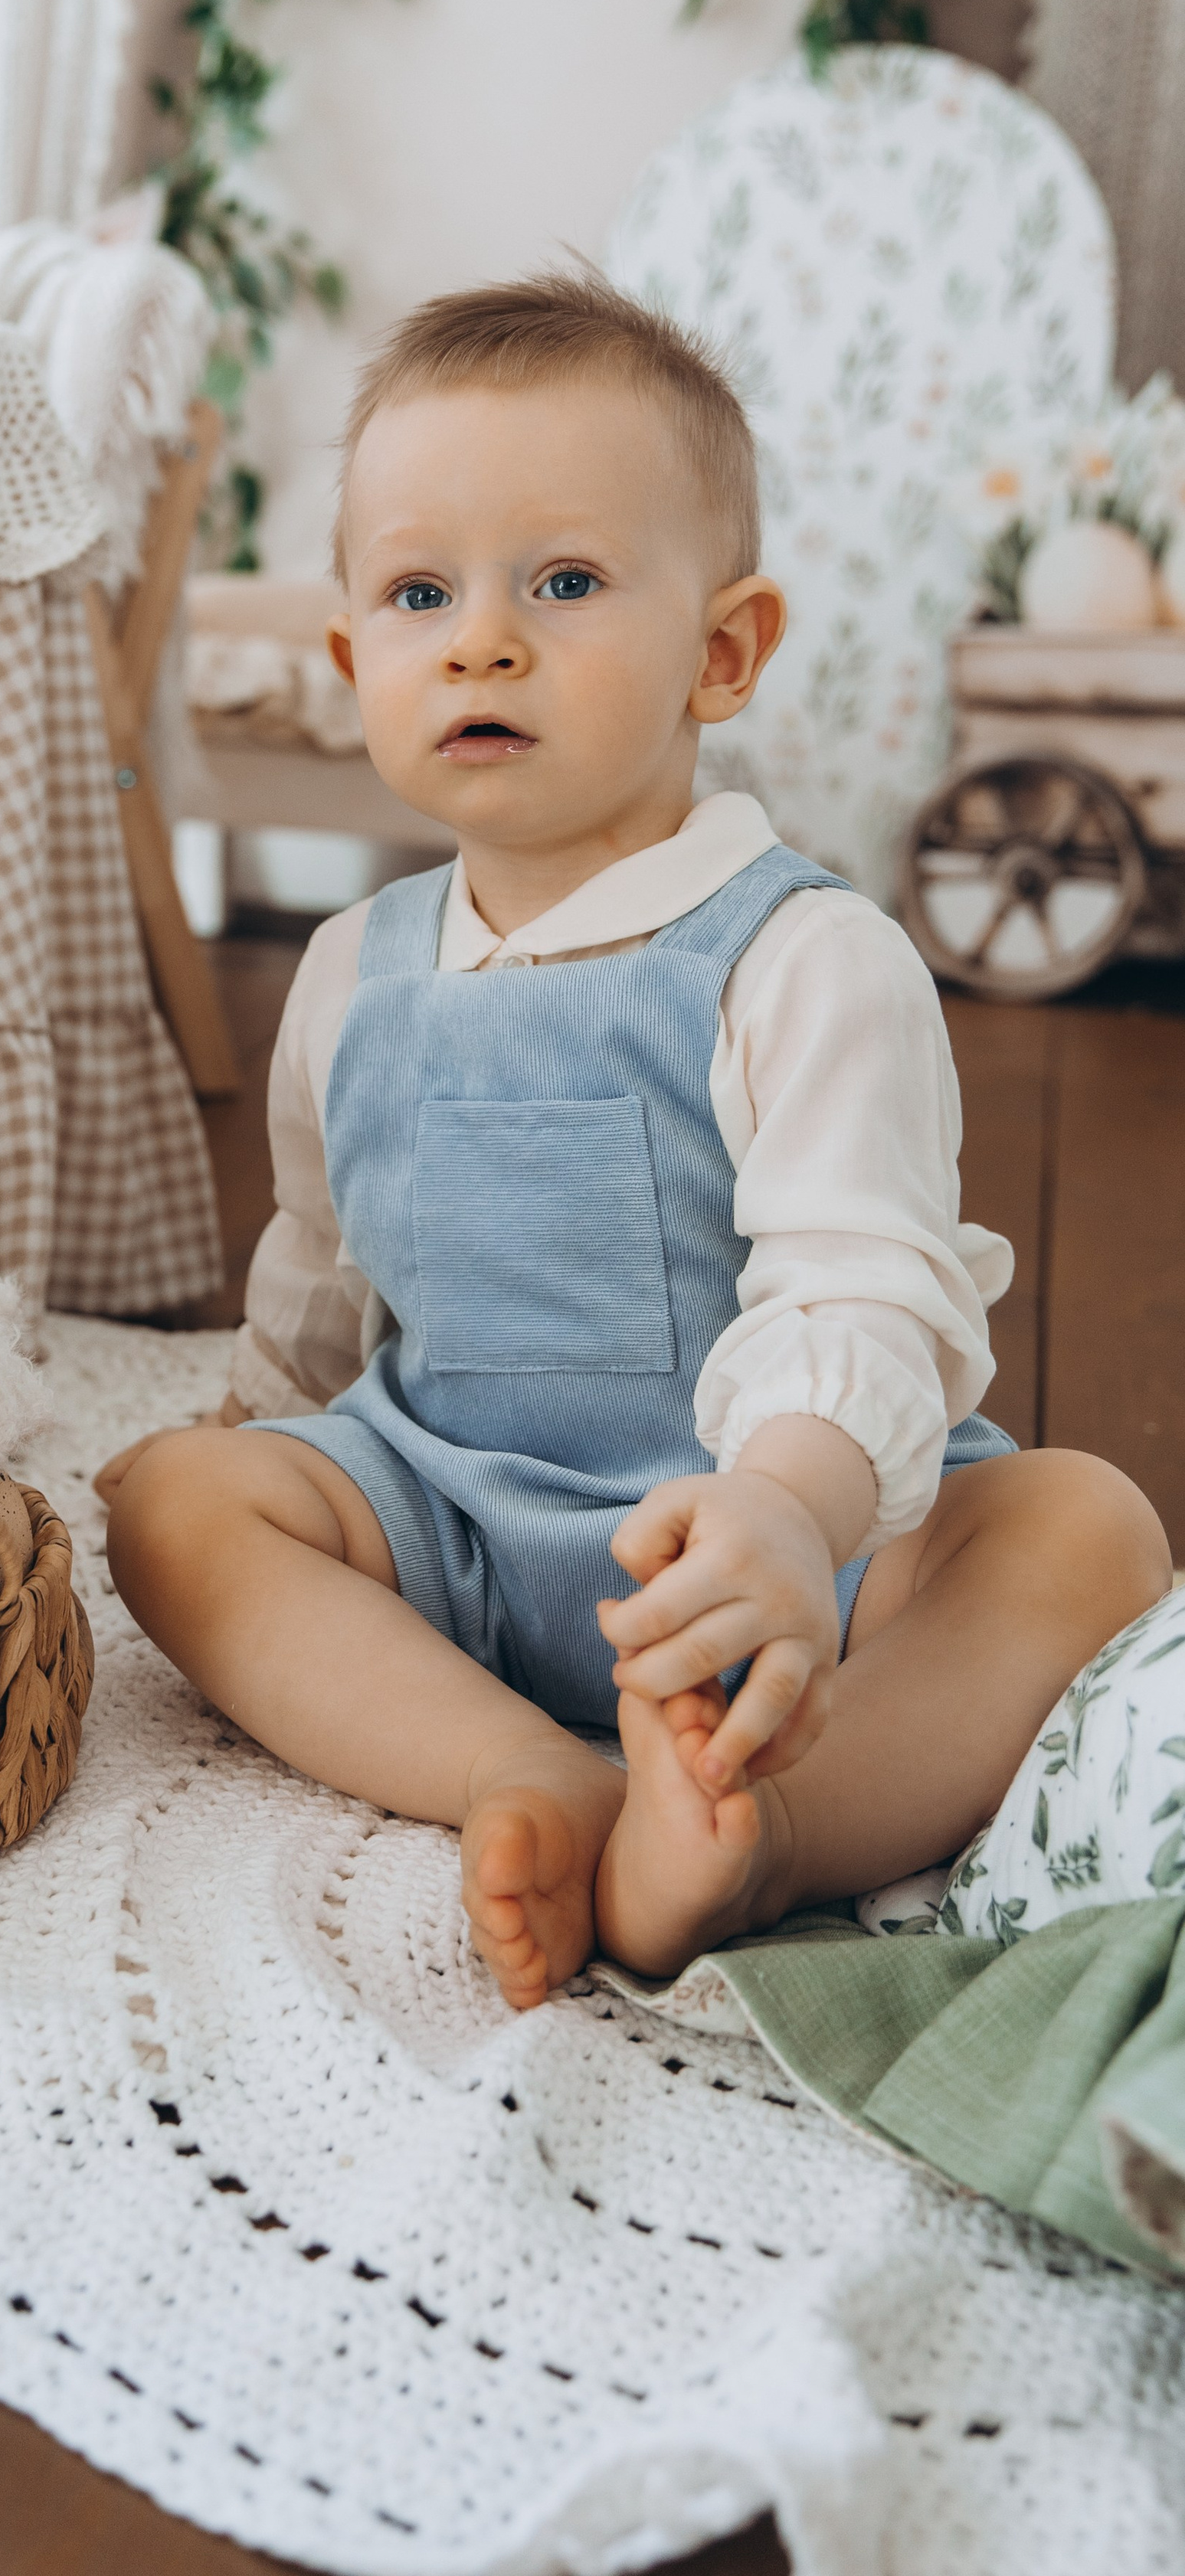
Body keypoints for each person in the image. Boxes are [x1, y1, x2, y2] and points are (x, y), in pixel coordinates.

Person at [100, 273, 1170, 2009]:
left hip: (784, 1564)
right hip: (446, 1519)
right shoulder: (344, 976)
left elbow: (864, 1291)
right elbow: (318, 1270)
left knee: (1081, 1532)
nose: (482, 640)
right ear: (350, 654)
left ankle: (763, 1819)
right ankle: (526, 1773)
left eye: (566, 583)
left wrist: (783, 1509)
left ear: (722, 651)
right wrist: (266, 1436)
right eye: (420, 591)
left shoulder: (798, 956)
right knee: (170, 1505)